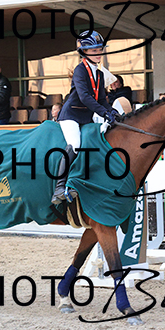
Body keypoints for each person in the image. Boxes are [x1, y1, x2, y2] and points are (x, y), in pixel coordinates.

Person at [52, 30, 119, 205]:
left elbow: (102, 99)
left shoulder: (100, 73)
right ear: (84, 51)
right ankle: (59, 186)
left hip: (86, 117)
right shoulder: (80, 70)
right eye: (94, 50)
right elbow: (85, 97)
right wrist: (104, 113)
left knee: (94, 144)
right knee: (75, 144)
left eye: (100, 49)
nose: (99, 53)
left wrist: (112, 111)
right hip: (71, 115)